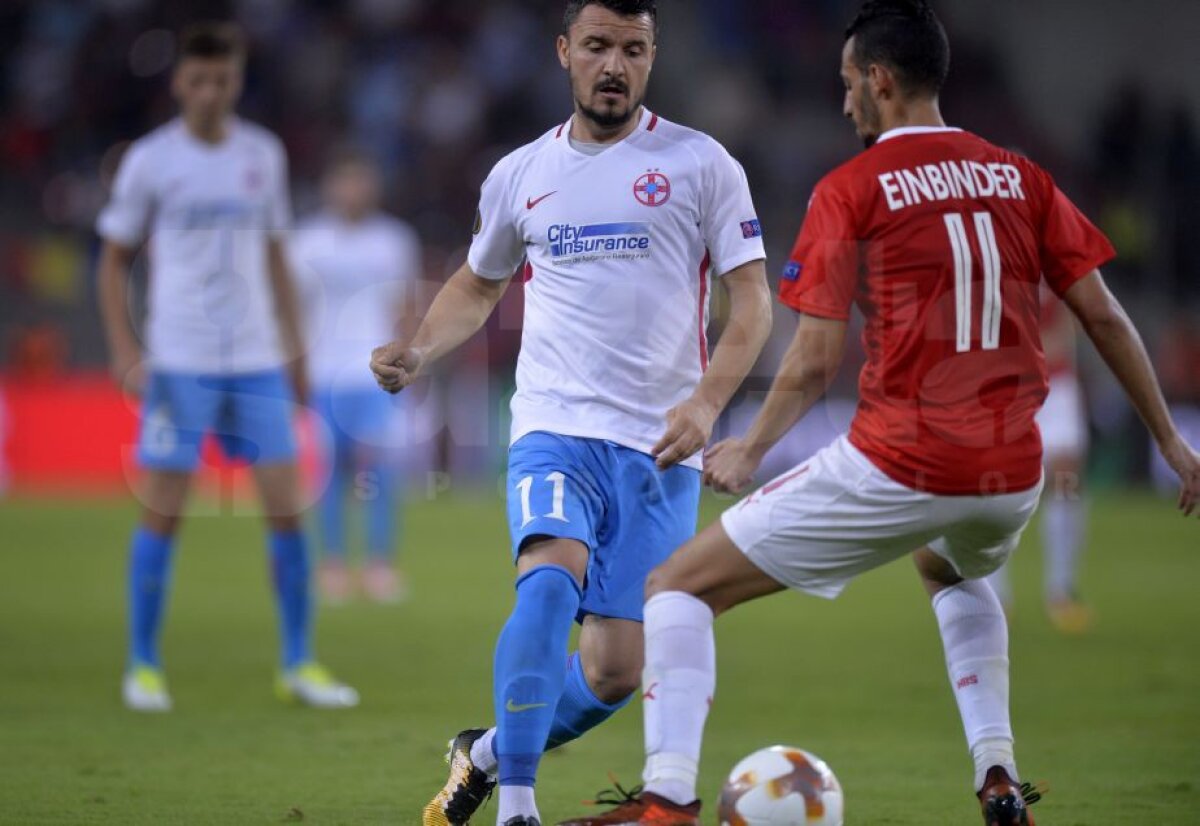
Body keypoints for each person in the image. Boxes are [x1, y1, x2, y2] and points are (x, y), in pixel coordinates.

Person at [557, 1, 1200, 825]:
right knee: (950, 568)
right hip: (1013, 471)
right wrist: (1172, 439)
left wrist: (749, 447)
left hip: (903, 459)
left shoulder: (853, 188)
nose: (845, 102)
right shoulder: (1021, 176)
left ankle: (666, 799)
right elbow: (1106, 317)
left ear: (880, 80)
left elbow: (818, 357)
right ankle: (999, 777)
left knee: (675, 587)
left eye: (849, 84)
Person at [370, 3, 772, 823]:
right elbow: (480, 282)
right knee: (549, 584)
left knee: (616, 671)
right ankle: (518, 803)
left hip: (661, 448)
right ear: (565, 53)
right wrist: (418, 349)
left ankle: (484, 754)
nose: (613, 65)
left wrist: (706, 403)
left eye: (632, 48)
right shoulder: (521, 172)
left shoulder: (701, 164)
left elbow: (754, 306)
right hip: (554, 427)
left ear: (652, 57)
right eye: (597, 46)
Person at [96, 22, 357, 712]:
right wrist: (125, 348)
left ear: (236, 81)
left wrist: (296, 345)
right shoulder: (150, 161)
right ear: (180, 82)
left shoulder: (261, 156)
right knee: (163, 513)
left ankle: (298, 662)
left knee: (286, 509)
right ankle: (143, 664)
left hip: (256, 359)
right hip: (179, 360)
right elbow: (113, 257)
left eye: (224, 79)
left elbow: (275, 256)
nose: (212, 91)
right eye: (200, 79)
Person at [292, 149, 421, 604]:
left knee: (379, 474)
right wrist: (295, 367)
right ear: (330, 187)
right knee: (326, 475)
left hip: (376, 375)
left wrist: (409, 360)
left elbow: (405, 307)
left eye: (360, 182)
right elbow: (290, 309)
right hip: (324, 371)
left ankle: (379, 564)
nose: (352, 192)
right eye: (345, 182)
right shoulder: (306, 241)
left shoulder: (394, 240)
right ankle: (331, 566)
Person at [986, 288, 1094, 633]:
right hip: (1006, 388)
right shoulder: (988, 254)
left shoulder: (1051, 245)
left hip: (1054, 383)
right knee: (998, 487)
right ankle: (996, 597)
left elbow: (1077, 314)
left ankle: (1062, 591)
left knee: (1066, 478)